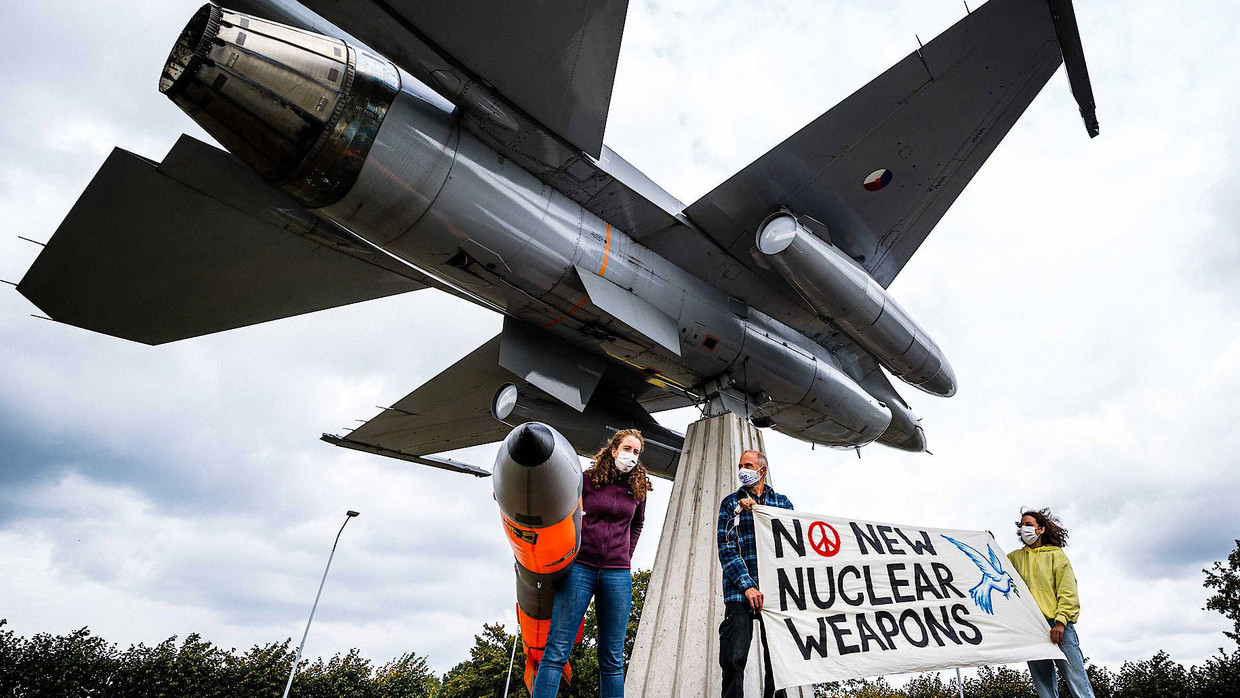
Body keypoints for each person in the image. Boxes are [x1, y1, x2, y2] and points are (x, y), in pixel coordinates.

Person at [531, 428, 652, 698]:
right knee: (556, 651)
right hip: (580, 569)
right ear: (613, 449)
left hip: (617, 575)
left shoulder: (638, 490)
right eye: (627, 449)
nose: (631, 456)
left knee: (611, 659)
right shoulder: (586, 480)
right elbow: (555, 502)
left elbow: (638, 524)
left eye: (636, 452)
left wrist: (626, 555)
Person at [717, 449, 793, 698]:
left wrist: (759, 513)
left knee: (778, 663)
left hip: (775, 592)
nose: (743, 470)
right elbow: (726, 547)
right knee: (733, 660)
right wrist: (747, 585)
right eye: (741, 465)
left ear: (762, 470)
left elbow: (791, 543)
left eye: (748, 465)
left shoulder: (782, 503)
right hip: (740, 593)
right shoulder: (730, 504)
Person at [1007, 508, 1096, 698]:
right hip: (1032, 628)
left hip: (1057, 626)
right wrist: (987, 543)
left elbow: (1067, 590)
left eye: (1029, 525)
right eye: (1022, 525)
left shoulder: (1056, 555)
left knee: (1077, 680)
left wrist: (1061, 622)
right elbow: (995, 568)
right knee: (1043, 686)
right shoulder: (1014, 558)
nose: (1024, 529)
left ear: (1041, 529)